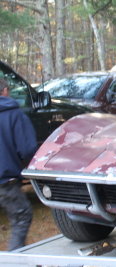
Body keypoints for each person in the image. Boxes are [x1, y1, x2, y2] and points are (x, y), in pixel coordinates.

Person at [0, 78, 37, 250]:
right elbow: (27, 149)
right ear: (5, 91)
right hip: (5, 180)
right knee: (22, 218)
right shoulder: (14, 114)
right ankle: (13, 261)